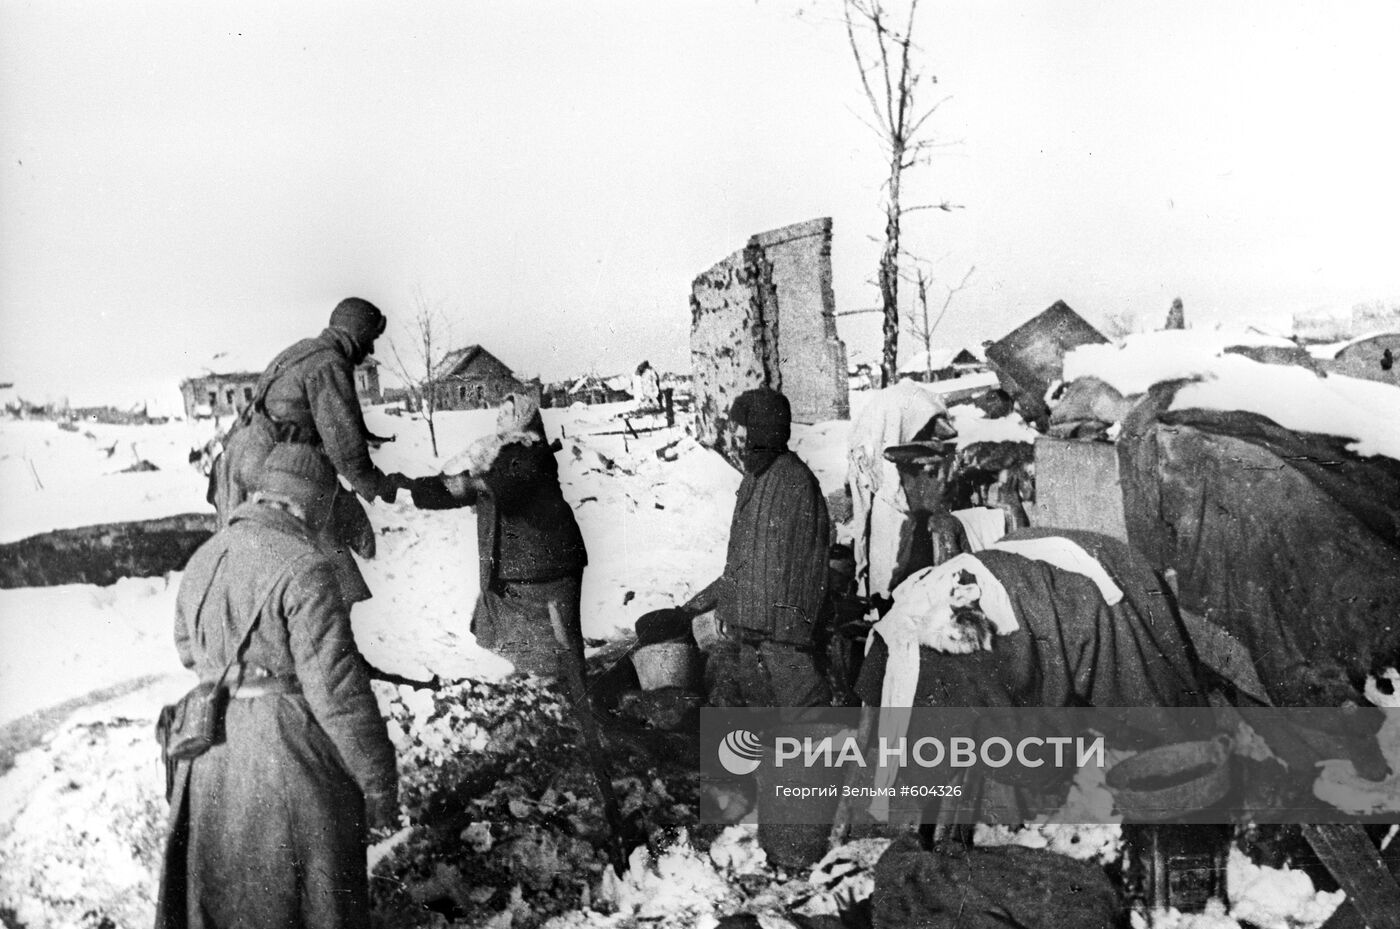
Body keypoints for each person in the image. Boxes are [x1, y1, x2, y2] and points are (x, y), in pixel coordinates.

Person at [157, 444, 399, 929]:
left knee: (226, 897)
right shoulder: (304, 565)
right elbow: (335, 689)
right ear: (307, 504)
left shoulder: (206, 556)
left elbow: (188, 649)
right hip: (284, 753)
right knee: (302, 895)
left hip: (210, 759)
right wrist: (377, 780)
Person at [210, 297, 406, 605]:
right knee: (328, 569)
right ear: (356, 332)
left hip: (245, 461)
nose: (371, 350)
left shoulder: (302, 350)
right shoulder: (329, 362)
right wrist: (378, 487)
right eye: (371, 338)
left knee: (262, 564)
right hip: (276, 467)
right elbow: (344, 446)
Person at [407, 393, 588, 677]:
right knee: (514, 627)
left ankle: (584, 707)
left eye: (507, 412)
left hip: (553, 564)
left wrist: (464, 484)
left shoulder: (533, 452)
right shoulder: (499, 453)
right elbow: (472, 489)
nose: (499, 416)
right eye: (499, 412)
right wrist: (415, 487)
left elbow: (500, 486)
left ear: (524, 417)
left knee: (565, 639)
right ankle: (547, 684)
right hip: (521, 566)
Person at [680, 386, 832, 708]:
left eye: (743, 428)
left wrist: (791, 626)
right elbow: (738, 551)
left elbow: (809, 562)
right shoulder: (752, 478)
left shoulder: (797, 482)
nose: (737, 436)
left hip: (782, 632)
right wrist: (728, 605)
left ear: (764, 429)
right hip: (749, 625)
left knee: (802, 706)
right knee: (758, 706)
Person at [846, 381, 957, 600]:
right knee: (888, 573)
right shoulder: (880, 449)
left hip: (916, 511)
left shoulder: (925, 434)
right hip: (889, 507)